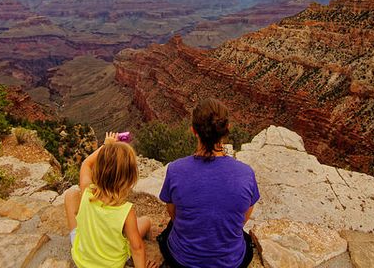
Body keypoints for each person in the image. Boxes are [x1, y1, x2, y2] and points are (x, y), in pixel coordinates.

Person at [157, 98, 260, 268]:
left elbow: (173, 214)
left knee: (169, 230)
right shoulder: (245, 173)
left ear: (193, 131)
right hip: (231, 262)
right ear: (227, 129)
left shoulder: (175, 170)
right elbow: (242, 219)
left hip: (183, 261)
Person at [64, 132, 157, 268]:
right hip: (111, 264)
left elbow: (86, 164)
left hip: (82, 257)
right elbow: (137, 249)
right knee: (146, 221)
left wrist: (106, 146)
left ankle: (84, 233)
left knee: (70, 195)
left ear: (99, 170)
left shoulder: (87, 192)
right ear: (130, 179)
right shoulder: (126, 211)